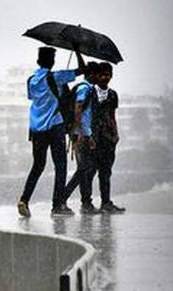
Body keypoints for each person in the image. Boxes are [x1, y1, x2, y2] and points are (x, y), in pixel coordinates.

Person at [18, 46, 86, 218]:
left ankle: (24, 200)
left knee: (38, 165)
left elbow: (32, 98)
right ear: (52, 61)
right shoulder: (56, 77)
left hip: (36, 128)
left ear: (38, 61)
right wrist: (77, 51)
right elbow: (82, 70)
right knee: (60, 166)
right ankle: (57, 205)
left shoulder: (31, 80)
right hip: (55, 126)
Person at [64, 62, 102, 214]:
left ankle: (86, 203)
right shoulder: (84, 88)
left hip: (84, 133)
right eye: (97, 74)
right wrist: (80, 133)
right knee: (84, 169)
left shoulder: (88, 88)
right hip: (81, 134)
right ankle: (63, 198)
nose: (99, 77)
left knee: (86, 169)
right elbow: (78, 110)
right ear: (92, 74)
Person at [92, 63, 126, 214]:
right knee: (88, 172)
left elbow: (112, 115)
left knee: (106, 172)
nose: (105, 77)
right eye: (102, 74)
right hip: (92, 138)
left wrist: (116, 134)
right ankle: (86, 203)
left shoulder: (113, 95)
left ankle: (106, 202)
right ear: (96, 76)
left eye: (108, 74)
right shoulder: (89, 92)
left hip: (107, 138)